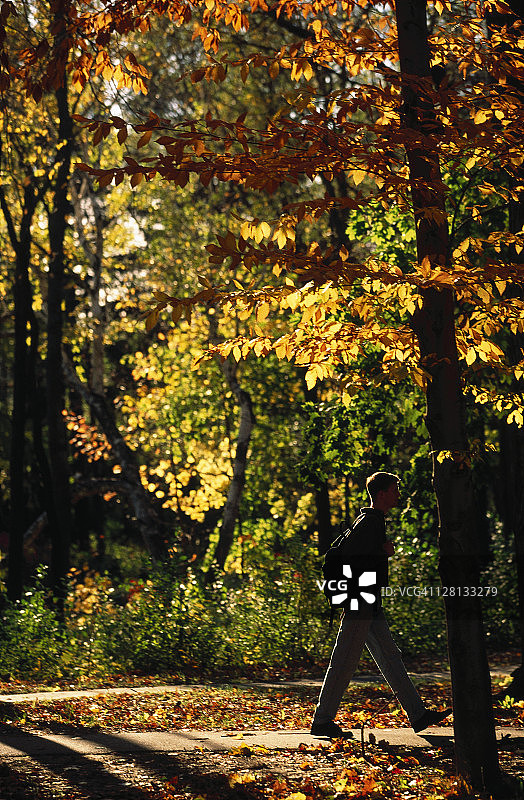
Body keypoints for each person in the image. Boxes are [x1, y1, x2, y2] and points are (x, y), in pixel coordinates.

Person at [311, 471, 451, 738]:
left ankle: (418, 714)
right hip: (360, 602)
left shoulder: (372, 521)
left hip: (369, 602)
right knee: (344, 661)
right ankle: (322, 720)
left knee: (391, 657)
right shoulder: (369, 522)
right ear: (382, 493)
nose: (398, 494)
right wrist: (382, 552)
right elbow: (353, 560)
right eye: (395, 489)